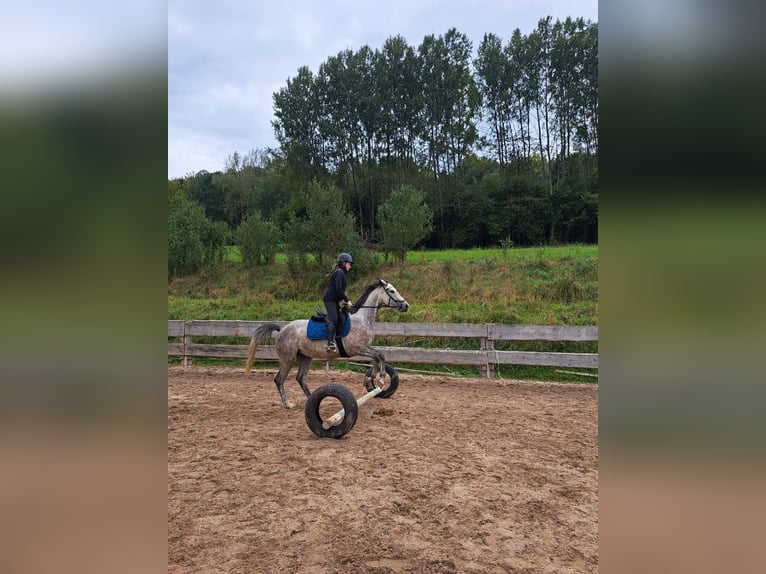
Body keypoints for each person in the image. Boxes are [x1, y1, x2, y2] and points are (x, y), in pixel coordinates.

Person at [322, 252, 353, 352]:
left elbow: (339, 291)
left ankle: (337, 340)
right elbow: (339, 289)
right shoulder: (339, 272)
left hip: (334, 300)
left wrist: (343, 299)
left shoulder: (341, 273)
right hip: (329, 299)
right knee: (334, 319)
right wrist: (347, 300)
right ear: (344, 263)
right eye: (349, 264)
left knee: (341, 317)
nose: (350, 266)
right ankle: (330, 343)